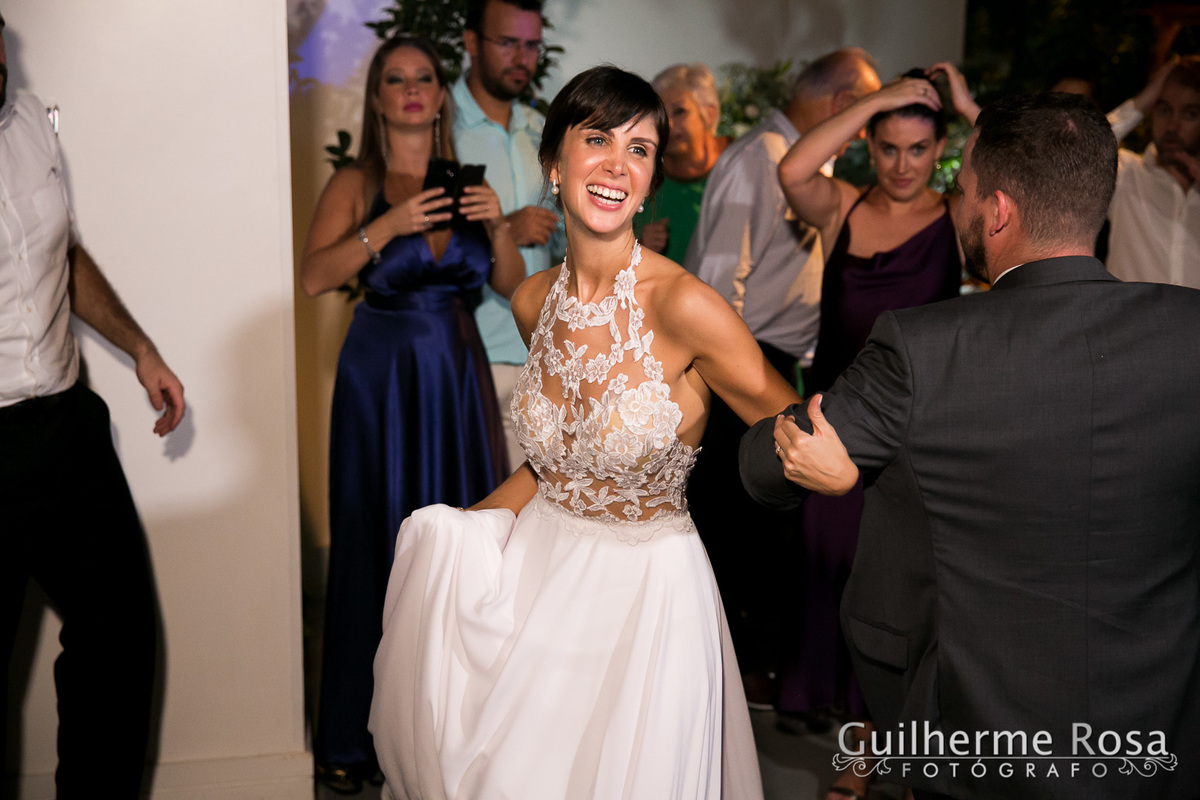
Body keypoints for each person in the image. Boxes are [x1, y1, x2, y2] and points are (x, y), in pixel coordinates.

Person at [741, 92, 1200, 799]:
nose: (956, 206)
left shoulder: (923, 348)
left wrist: (802, 447)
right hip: (1157, 741)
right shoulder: (1189, 333)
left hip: (977, 746)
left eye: (963, 191)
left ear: (999, 210)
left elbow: (764, 469)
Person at [369, 65, 803, 799]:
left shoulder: (686, 307)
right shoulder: (533, 302)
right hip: (540, 575)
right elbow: (552, 469)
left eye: (639, 149)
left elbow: (790, 425)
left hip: (646, 601)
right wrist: (462, 531)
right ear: (554, 163)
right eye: (597, 138)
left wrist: (831, 472)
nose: (616, 164)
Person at [300, 34, 524, 791]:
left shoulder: (465, 181)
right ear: (376, 96)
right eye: (395, 79)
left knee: (466, 547)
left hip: (457, 378)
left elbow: (509, 282)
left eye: (423, 78)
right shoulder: (357, 181)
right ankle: (352, 735)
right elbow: (313, 277)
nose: (411, 90)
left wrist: (496, 225)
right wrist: (384, 229)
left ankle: (455, 732)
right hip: (382, 379)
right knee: (375, 545)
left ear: (439, 90)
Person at [0, 11, 186, 796]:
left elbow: (63, 253)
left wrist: (139, 347)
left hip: (67, 425)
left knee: (119, 640)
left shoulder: (31, 127)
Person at [772, 67, 972, 798]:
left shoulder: (958, 216)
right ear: (869, 145)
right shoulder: (843, 207)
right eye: (887, 147)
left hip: (912, 435)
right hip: (834, 423)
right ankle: (855, 736)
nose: (901, 164)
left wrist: (970, 105)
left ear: (941, 150)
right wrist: (878, 100)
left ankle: (869, 758)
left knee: (895, 596)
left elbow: (1013, 167)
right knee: (829, 577)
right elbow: (793, 165)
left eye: (918, 149)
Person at [683, 47, 881, 709]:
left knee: (755, 532)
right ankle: (716, 676)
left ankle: (740, 673)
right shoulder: (760, 159)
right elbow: (714, 289)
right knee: (729, 531)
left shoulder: (795, 161)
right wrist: (733, 382)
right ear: (842, 104)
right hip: (737, 364)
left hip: (768, 360)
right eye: (863, 113)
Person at [453, 0, 561, 470]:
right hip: (466, 352)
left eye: (532, 45)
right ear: (471, 42)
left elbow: (563, 245)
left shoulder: (543, 131)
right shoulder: (438, 128)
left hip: (543, 352)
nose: (522, 57)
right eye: (508, 43)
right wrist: (503, 231)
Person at [1105, 54, 1200, 289]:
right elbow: (1073, 151)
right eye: (1164, 110)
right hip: (1129, 326)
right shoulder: (1126, 173)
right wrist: (1142, 100)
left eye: (1189, 114)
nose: (1172, 126)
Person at [633, 63, 731, 264]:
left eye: (679, 112)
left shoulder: (740, 163)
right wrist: (640, 247)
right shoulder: (643, 182)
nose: (667, 124)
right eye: (661, 115)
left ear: (709, 114)